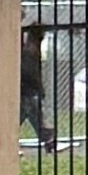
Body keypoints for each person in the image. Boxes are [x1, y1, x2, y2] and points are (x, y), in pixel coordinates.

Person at [19, 23, 57, 152]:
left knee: (33, 117)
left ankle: (49, 139)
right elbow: (30, 72)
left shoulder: (32, 50)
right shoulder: (30, 51)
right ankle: (49, 139)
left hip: (29, 91)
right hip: (28, 90)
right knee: (34, 117)